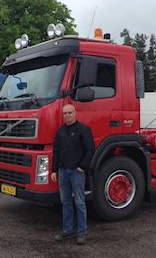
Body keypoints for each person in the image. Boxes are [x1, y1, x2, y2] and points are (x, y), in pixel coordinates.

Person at [51, 104, 95, 245]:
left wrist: (82, 166)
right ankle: (67, 231)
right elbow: (56, 151)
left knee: (80, 202)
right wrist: (54, 170)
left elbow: (90, 149)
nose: (67, 115)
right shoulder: (60, 131)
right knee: (66, 203)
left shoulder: (83, 130)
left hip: (77, 172)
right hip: (63, 171)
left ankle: (82, 233)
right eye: (65, 113)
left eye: (70, 113)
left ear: (75, 113)